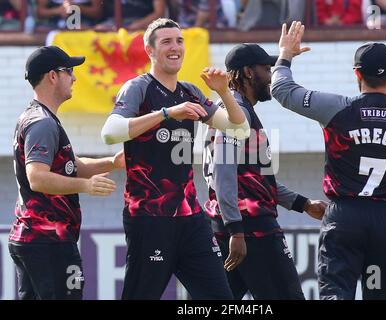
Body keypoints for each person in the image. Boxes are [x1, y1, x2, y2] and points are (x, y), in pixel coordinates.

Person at [271, 22, 386, 299]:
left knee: (336, 294)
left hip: (344, 215)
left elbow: (282, 90)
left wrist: (285, 54)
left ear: (356, 73)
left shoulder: (337, 108)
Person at [101, 18, 250, 300]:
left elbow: (240, 130)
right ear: (150, 50)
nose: (175, 47)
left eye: (179, 41)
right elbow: (109, 134)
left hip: (191, 219)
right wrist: (168, 113)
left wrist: (223, 92)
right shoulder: (138, 88)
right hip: (149, 218)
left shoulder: (190, 91)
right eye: (166, 41)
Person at [202, 43, 328, 299]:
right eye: (267, 69)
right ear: (248, 72)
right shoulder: (236, 113)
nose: (271, 77)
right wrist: (236, 230)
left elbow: (259, 180)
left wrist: (303, 204)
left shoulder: (231, 109)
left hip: (234, 226)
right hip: (249, 229)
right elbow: (223, 175)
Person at [8, 45, 124, 300]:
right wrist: (85, 186)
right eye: (69, 71)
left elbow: (71, 166)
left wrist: (113, 162)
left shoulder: (38, 117)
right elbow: (37, 177)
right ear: (52, 76)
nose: (74, 78)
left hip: (36, 239)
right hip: (48, 242)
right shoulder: (43, 123)